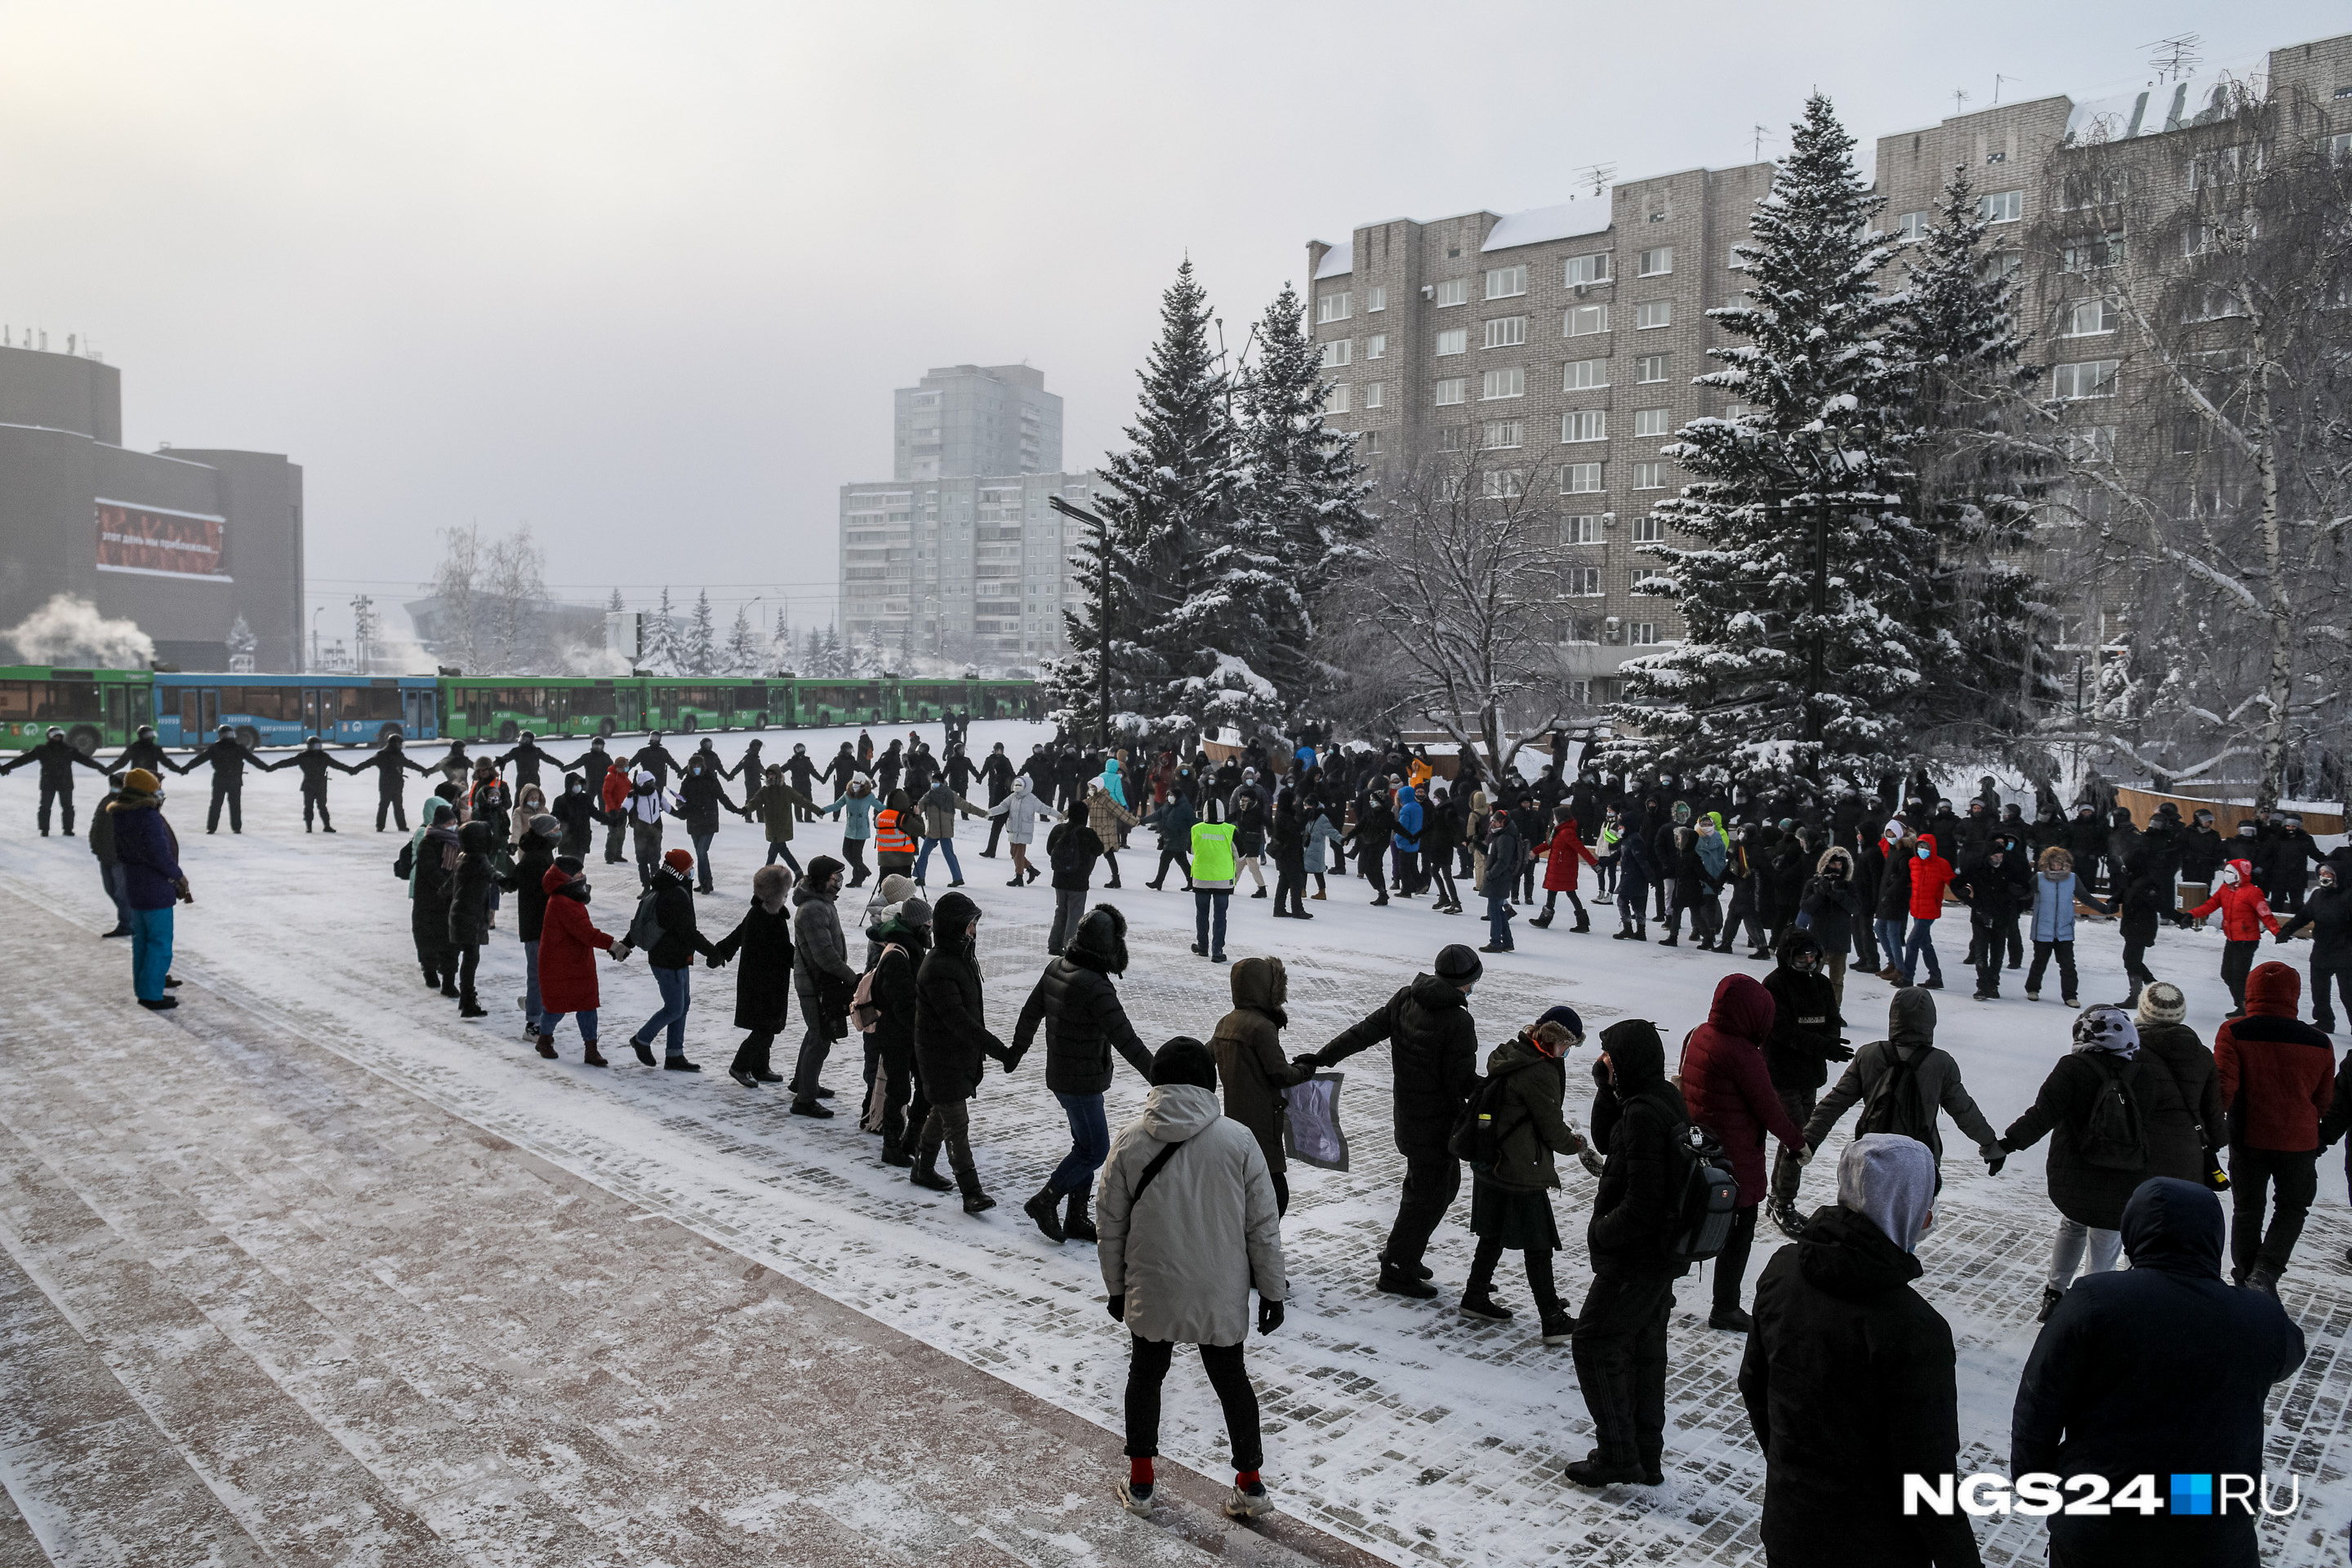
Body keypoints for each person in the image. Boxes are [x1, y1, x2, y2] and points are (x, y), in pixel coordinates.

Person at [2012, 1178, 2305, 1568]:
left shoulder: (2094, 1300)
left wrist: (2035, 1485)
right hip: (2210, 1522)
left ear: (2134, 1232)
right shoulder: (2257, 1316)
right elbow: (2288, 1356)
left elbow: (2039, 1404)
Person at [1740, 1134, 1983, 1568]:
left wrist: (1792, 1471)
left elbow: (1754, 1385)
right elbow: (1927, 1475)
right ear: (1905, 1206)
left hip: (1790, 1525)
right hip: (1873, 1546)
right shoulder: (1913, 1329)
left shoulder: (1782, 1270)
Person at [1102, 1038, 1288, 1523]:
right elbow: (1262, 1226)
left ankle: (1141, 1482)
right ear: (1210, 1082)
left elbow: (1110, 1224)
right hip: (1219, 1290)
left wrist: (1116, 1289)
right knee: (1231, 1380)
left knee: (1146, 1375)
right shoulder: (1239, 1140)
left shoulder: (1129, 1140)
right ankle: (1251, 1486)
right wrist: (1272, 1291)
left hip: (1153, 1287)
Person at [1298, 944, 1484, 1298]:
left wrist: (1323, 1057)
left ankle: (1404, 1254)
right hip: (1437, 1124)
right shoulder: (1458, 1020)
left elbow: (1365, 1031)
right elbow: (1460, 1081)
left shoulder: (1406, 998)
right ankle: (1397, 1269)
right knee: (1428, 1196)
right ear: (1467, 982)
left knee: (1436, 1189)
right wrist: (1496, 1086)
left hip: (1409, 1117)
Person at [1567, 1018, 1686, 1487]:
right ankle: (1646, 1457)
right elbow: (1605, 1141)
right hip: (1660, 1256)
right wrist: (1604, 1087)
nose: (1605, 1063)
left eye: (1610, 1058)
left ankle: (1619, 1454)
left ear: (1629, 1060)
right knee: (1642, 1348)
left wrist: (1601, 1232)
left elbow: (1642, 1203)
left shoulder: (1642, 1113)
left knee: (1594, 1342)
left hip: (1638, 1257)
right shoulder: (1660, 1097)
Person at [1995, 1007, 2163, 1320]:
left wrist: (2007, 1145)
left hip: (2075, 1172)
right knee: (2107, 1235)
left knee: (2073, 1223)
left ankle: (2054, 1294)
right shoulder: (2144, 1074)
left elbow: (2042, 1114)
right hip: (2125, 1173)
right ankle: (2091, 1305)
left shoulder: (2073, 1068)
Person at [1008, 904, 1153, 1244]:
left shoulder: (1057, 967)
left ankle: (1076, 1216)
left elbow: (1030, 1013)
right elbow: (1126, 1040)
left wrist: (1016, 1051)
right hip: (1081, 1080)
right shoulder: (1096, 987)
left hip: (1063, 1074)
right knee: (1094, 1149)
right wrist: (1162, 1078)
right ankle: (1045, 1201)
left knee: (1083, 1143)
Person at [1678, 972, 1811, 1330]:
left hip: (1698, 1153)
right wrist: (1798, 1144)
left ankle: (1663, 1287)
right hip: (1736, 1161)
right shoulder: (1743, 1054)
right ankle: (1726, 1307)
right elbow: (1770, 1109)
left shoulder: (1698, 1035)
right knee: (1738, 1234)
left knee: (1689, 1220)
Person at [1460, 1009, 1597, 1343]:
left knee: (1491, 1234)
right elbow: (1552, 1130)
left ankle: (1475, 1296)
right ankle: (1552, 1319)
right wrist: (1577, 1143)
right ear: (1555, 1039)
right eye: (1568, 1045)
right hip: (1521, 1170)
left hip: (1491, 1161)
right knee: (1539, 1245)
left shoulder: (1510, 1052)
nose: (1568, 1053)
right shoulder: (1540, 1071)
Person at [1803, 987, 2002, 1190]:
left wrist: (1809, 1140)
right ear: (1930, 1021)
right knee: (1913, 1217)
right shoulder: (1940, 1063)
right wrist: (1991, 1146)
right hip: (1920, 1159)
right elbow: (1964, 1110)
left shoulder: (1869, 1055)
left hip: (1871, 1155)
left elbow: (1835, 1102)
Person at [2215, 960, 2335, 1294]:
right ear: (2294, 994)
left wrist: (2211, 1129)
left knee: (2248, 1209)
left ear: (2250, 991)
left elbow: (2224, 1086)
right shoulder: (2319, 1042)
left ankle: (2245, 1280)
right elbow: (2325, 1099)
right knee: (2293, 1207)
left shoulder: (2234, 1031)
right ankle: (2266, 1272)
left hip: (2248, 1137)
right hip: (2299, 1140)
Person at [908, 890, 1006, 1212]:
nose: (973, 932)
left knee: (942, 1110)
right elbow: (958, 1020)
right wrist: (996, 1048)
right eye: (968, 925)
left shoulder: (958, 958)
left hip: (954, 1054)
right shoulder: (938, 966)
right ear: (952, 927)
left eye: (974, 925)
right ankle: (971, 1190)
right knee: (956, 1122)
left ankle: (922, 1168)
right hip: (940, 1056)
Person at [1760, 932, 1852, 1238]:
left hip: (1808, 1074)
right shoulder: (1774, 985)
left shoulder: (1821, 984)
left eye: (1813, 957)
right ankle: (1783, 1202)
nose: (1809, 963)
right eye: (1802, 958)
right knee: (1798, 1140)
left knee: (1797, 1137)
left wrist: (1830, 1041)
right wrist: (1823, 1046)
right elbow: (1783, 1031)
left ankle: (1778, 1196)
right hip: (1782, 1073)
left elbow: (1831, 1018)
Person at [1207, 957, 1314, 1214]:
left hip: (1234, 1117)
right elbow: (1280, 1074)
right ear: (1269, 989)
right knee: (1275, 1195)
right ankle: (1257, 1248)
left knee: (1245, 1184)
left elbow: (1206, 1056)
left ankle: (1244, 1241)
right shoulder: (1261, 1027)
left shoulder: (1226, 1022)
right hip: (1264, 1120)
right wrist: (1304, 1070)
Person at [628, 847, 719, 1071]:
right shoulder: (674, 895)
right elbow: (687, 931)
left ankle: (675, 1054)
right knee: (674, 1008)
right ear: (680, 870)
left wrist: (626, 944)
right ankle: (642, 1039)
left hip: (673, 957)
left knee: (682, 1005)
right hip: (668, 959)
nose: (692, 871)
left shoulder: (666, 887)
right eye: (690, 867)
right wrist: (712, 951)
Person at [108, 768, 191, 1009]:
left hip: (135, 886)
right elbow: (160, 855)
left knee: (141, 940)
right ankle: (152, 994)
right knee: (160, 942)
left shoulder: (121, 815)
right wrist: (179, 876)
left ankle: (144, 989)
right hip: (155, 888)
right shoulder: (148, 816)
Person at [707, 863, 796, 1089]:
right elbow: (780, 950)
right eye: (785, 891)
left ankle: (760, 1066)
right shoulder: (766, 917)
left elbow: (738, 933)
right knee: (765, 1028)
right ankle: (740, 1065)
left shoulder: (763, 912)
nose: (787, 895)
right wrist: (802, 961)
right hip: (762, 982)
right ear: (776, 893)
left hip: (765, 979)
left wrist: (723, 951)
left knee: (770, 1025)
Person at [860, 894, 933, 1169]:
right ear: (915, 925)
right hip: (896, 1035)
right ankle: (892, 1146)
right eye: (927, 923)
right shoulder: (898, 955)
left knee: (925, 1087)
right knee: (899, 1090)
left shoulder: (912, 948)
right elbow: (902, 1004)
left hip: (909, 1033)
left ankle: (910, 1141)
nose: (930, 929)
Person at [533, 854, 629, 1063]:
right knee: (556, 1008)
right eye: (578, 873)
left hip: (577, 962)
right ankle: (544, 1040)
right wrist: (614, 946)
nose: (583, 876)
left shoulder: (569, 897)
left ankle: (591, 1050)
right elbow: (585, 932)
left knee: (587, 1006)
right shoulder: (562, 902)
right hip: (560, 964)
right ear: (566, 877)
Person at [788, 856, 857, 1116]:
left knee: (814, 1032)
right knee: (820, 1038)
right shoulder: (814, 909)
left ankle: (802, 1083)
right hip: (814, 983)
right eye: (836, 878)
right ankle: (804, 1100)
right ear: (822, 880)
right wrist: (852, 978)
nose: (840, 883)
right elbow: (825, 955)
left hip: (817, 981)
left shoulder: (821, 903)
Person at [2189, 855, 2280, 1017]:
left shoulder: (2253, 892)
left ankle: (2247, 1007)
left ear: (2240, 874)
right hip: (2232, 938)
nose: (2226, 875)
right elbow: (2210, 905)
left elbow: (2265, 913)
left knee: (2239, 976)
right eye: (2225, 872)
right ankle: (2243, 1003)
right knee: (2227, 974)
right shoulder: (2225, 890)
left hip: (2247, 940)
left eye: (2230, 872)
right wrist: (2191, 915)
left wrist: (2277, 932)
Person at [2278, 861, 2352, 1032]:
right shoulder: (2317, 895)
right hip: (2321, 950)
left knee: (2348, 994)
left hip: (2344, 952)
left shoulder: (2348, 896)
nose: (2324, 877)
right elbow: (2304, 915)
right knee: (2319, 991)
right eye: (2322, 874)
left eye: (2329, 874)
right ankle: (2324, 1021)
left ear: (2337, 877)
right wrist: (2288, 929)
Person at [1949, 840, 2027, 1000]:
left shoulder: (2009, 868)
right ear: (1988, 855)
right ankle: (1982, 985)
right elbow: (1956, 883)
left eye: (2001, 854)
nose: (1999, 857)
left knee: (1998, 953)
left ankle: (1993, 984)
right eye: (1995, 854)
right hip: (1980, 914)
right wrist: (1966, 897)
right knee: (1981, 952)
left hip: (2003, 915)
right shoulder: (1976, 867)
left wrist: (2015, 893)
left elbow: (2025, 886)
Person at [505, 813, 559, 1035]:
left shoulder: (541, 853)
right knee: (538, 974)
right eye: (554, 830)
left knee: (543, 974)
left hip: (542, 924)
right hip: (537, 925)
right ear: (544, 833)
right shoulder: (536, 858)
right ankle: (533, 1022)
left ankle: (534, 1004)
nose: (558, 833)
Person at [401, 798, 461, 996]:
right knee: (428, 939)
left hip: (450, 901)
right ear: (438, 824)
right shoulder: (427, 843)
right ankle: (429, 970)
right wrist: (446, 887)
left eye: (454, 823)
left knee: (451, 942)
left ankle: (449, 981)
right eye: (448, 824)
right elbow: (430, 871)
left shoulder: (458, 844)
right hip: (429, 902)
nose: (453, 827)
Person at [2, 726, 109, 835]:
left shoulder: (69, 750)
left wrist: (101, 768)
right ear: (49, 738)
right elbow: (23, 760)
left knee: (67, 807)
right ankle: (45, 830)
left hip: (62, 783)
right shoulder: (43, 750)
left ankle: (68, 830)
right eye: (55, 736)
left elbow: (86, 760)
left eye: (59, 736)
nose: (57, 738)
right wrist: (7, 767)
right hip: (51, 783)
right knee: (46, 807)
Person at [1040, 803, 1107, 957]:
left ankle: (1054, 944)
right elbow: (1099, 849)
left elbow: (1050, 849)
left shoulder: (1058, 830)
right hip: (1079, 880)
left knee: (1061, 911)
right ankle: (1070, 947)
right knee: (1075, 914)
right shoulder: (1087, 833)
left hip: (1059, 879)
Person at [183, 724, 268, 834]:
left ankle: (211, 828)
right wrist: (266, 767)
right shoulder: (239, 748)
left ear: (221, 736)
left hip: (220, 780)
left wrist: (186, 768)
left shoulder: (214, 748)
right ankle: (236, 827)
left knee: (216, 804)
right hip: (235, 780)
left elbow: (199, 760)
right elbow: (253, 759)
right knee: (235, 804)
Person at [675, 755, 740, 893]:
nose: (696, 769)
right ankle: (707, 881)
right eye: (694, 766)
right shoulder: (687, 781)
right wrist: (681, 807)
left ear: (703, 766)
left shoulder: (711, 779)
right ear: (690, 767)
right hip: (693, 821)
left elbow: (721, 796)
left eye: (698, 766)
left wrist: (735, 809)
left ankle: (705, 883)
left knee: (702, 852)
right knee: (701, 854)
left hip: (709, 821)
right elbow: (681, 799)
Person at [1898, 832, 1954, 989]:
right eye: (1920, 847)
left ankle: (1907, 978)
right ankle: (1935, 976)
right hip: (1916, 908)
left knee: (1912, 943)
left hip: (1930, 910)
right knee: (1926, 944)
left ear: (1932, 848)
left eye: (1926, 847)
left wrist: (1965, 890)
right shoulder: (1913, 863)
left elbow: (1954, 881)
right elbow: (1911, 882)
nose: (1923, 850)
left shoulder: (1941, 864)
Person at [913, 774, 987, 889]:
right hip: (933, 831)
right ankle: (920, 877)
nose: (933, 784)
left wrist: (982, 813)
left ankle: (958, 878)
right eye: (932, 781)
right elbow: (919, 807)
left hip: (946, 831)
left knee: (949, 854)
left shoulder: (950, 795)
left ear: (942, 782)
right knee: (924, 854)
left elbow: (966, 806)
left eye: (936, 781)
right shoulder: (928, 796)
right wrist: (915, 812)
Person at [985, 773, 1056, 888]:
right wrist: (989, 812)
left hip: (1024, 830)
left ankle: (1019, 877)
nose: (1017, 787)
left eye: (1019, 785)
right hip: (1013, 829)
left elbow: (1045, 809)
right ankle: (1031, 869)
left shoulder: (1032, 799)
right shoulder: (1013, 797)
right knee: (1014, 853)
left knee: (1018, 854)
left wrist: (1058, 815)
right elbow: (1002, 807)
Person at [1479, 807, 1526, 953]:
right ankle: (1507, 941)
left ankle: (1495, 942)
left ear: (1503, 823)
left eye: (1496, 822)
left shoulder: (1505, 838)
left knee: (1494, 912)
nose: (1492, 824)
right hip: (1499, 879)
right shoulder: (1503, 835)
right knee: (1498, 911)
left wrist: (1491, 874)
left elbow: (1502, 861)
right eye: (1492, 821)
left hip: (1499, 880)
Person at [823, 776, 879, 888]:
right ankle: (864, 871)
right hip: (850, 828)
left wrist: (894, 811)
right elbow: (836, 805)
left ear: (863, 784)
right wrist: (823, 810)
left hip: (862, 829)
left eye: (858, 783)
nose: (855, 785)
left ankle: (857, 879)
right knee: (846, 852)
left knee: (857, 856)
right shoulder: (848, 794)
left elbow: (880, 807)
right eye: (854, 782)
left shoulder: (869, 796)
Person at [623, 767, 673, 889]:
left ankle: (655, 885)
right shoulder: (634, 795)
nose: (651, 785)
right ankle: (646, 886)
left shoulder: (657, 794)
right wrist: (619, 816)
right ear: (641, 784)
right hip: (640, 832)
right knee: (642, 861)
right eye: (648, 783)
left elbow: (667, 807)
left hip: (656, 831)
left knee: (655, 860)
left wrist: (681, 814)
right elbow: (625, 806)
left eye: (652, 782)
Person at [1143, 787, 1196, 891]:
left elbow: (1193, 822)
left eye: (1171, 795)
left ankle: (1158, 882)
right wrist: (1142, 821)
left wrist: (1184, 832)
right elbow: (1156, 816)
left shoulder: (1185, 807)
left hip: (1179, 838)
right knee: (1182, 861)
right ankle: (1192, 882)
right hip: (1169, 837)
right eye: (1168, 795)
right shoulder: (1167, 806)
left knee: (1164, 859)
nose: (1169, 797)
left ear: (1177, 797)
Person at [1304, 798, 1343, 902]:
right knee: (1303, 869)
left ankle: (1321, 892)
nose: (1306, 807)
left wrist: (1341, 839)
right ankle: (1302, 890)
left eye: (1307, 805)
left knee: (1317, 870)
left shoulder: (1321, 818)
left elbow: (1331, 831)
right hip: (1306, 847)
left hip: (1316, 848)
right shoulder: (1306, 815)